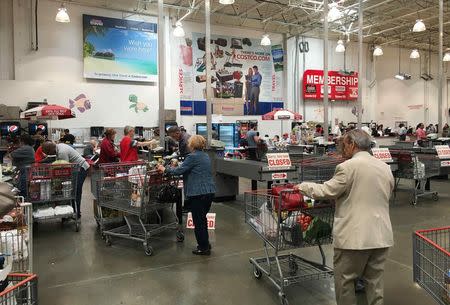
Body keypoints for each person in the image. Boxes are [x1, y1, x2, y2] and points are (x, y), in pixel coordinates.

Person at [294, 129, 394, 305]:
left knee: (345, 282)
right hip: (381, 235)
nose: (342, 149)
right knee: (375, 283)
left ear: (352, 144)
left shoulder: (347, 167)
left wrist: (302, 186)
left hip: (353, 238)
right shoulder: (385, 167)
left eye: (343, 144)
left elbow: (326, 190)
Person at [157, 135, 216, 255]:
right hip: (209, 191)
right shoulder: (205, 156)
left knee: (198, 221)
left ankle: (203, 248)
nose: (188, 144)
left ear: (192, 145)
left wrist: (164, 169)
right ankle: (205, 244)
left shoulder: (192, 157)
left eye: (189, 143)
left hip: (198, 193)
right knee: (202, 219)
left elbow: (178, 171)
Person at [42, 141, 90, 218]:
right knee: (74, 191)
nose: (48, 154)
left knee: (76, 191)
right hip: (78, 168)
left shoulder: (61, 152)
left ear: (51, 149)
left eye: (48, 152)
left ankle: (76, 213)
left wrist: (58, 182)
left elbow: (64, 168)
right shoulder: (59, 146)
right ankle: (74, 211)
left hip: (81, 168)